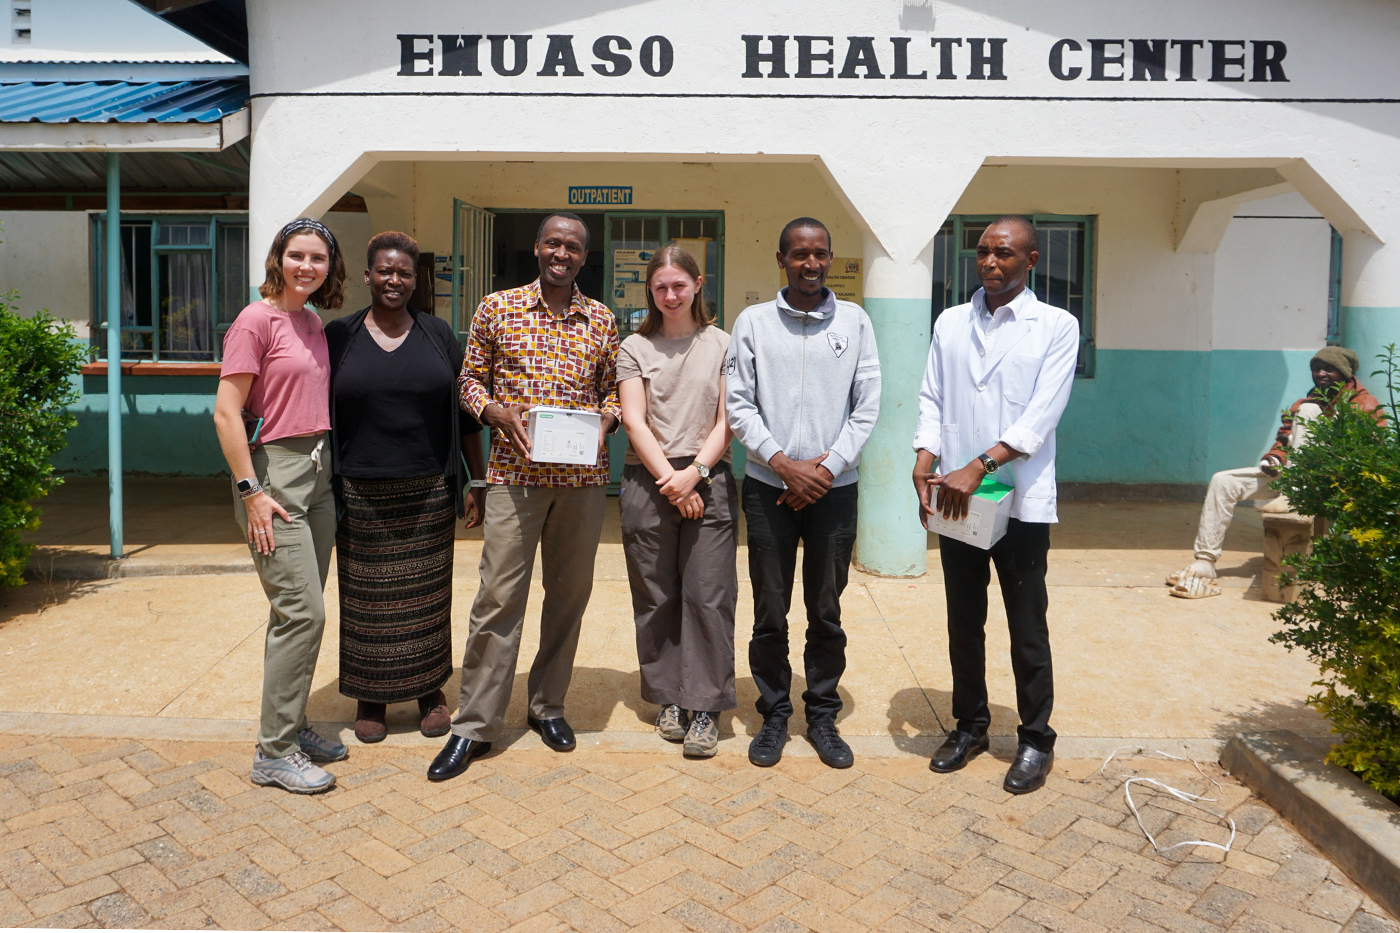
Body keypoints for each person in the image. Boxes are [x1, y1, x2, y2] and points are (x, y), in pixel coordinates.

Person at [428, 212, 621, 781]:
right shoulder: (497, 307)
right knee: (497, 599)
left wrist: (604, 421)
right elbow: (469, 381)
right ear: (538, 248)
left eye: (574, 247)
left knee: (568, 597)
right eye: (553, 243)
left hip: (582, 483)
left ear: (584, 258)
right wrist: (491, 410)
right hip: (515, 478)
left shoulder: (602, 319)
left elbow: (616, 391)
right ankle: (475, 725)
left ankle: (547, 707)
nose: (562, 254)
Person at [913, 215, 1079, 795]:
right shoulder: (951, 322)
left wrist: (977, 466)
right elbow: (932, 395)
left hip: (1020, 500)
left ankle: (1035, 738)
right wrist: (924, 456)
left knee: (1026, 623)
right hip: (959, 500)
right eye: (982, 251)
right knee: (965, 619)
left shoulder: (1055, 326)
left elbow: (1041, 415)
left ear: (1030, 260)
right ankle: (970, 726)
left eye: (1004, 253)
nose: (990, 262)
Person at [726, 217, 881, 770]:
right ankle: (773, 714)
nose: (810, 264)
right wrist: (785, 466)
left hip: (834, 494)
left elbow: (866, 407)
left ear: (831, 258)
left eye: (820, 254)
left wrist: (825, 469)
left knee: (826, 608)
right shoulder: (753, 323)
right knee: (770, 607)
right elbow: (739, 403)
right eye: (799, 254)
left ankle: (821, 714)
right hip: (770, 489)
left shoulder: (856, 322)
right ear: (781, 259)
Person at [325, 232, 488, 743]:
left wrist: (476, 478)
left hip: (429, 491)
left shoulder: (437, 334)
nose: (395, 280)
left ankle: (429, 692)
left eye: (405, 274)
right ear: (369, 275)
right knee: (366, 601)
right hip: (360, 491)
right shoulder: (339, 336)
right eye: (385, 271)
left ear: (416, 281)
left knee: (426, 598)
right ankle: (370, 695)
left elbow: (465, 415)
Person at [213, 218, 348, 794]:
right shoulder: (255, 320)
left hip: (317, 473)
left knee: (298, 611)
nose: (307, 267)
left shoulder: (311, 321)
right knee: (304, 613)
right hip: (273, 477)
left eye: (317, 258)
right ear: (278, 258)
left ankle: (290, 726)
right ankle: (273, 753)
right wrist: (252, 493)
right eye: (297, 256)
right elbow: (225, 412)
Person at [618, 245, 737, 759]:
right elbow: (633, 420)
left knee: (708, 596)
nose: (670, 295)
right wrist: (672, 480)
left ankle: (705, 706)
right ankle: (668, 698)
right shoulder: (634, 347)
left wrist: (696, 475)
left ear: (697, 285)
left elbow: (728, 420)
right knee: (656, 595)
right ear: (651, 289)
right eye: (661, 287)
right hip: (651, 480)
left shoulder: (723, 344)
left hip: (707, 474)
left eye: (679, 286)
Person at [1167, 346, 1384, 599]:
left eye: (1329, 369)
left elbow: (1370, 454)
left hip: (1334, 483)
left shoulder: (1366, 405)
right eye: (1316, 369)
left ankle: (1297, 490)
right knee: (1223, 481)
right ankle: (1205, 561)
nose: (1321, 374)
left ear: (1345, 373)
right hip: (1294, 478)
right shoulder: (1304, 402)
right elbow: (1283, 441)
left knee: (1309, 411)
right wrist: (1273, 459)